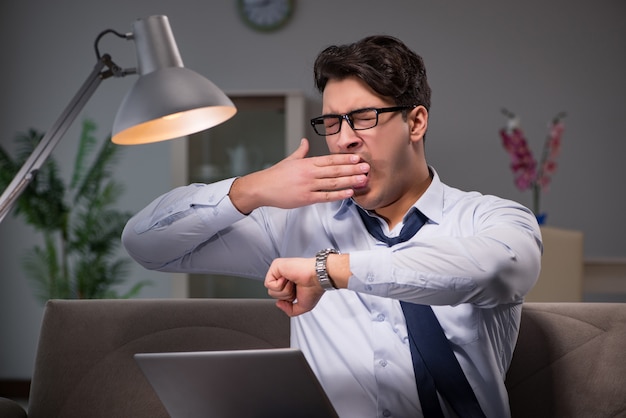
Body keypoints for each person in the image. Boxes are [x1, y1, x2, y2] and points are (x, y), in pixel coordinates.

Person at [122, 35, 542, 417]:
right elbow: (145, 244)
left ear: (415, 122)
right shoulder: (294, 227)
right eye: (333, 123)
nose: (344, 139)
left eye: (363, 118)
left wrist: (329, 271)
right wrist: (249, 189)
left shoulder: (494, 219)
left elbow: (492, 272)